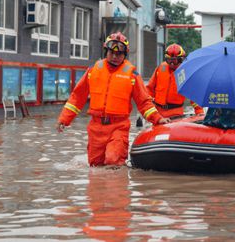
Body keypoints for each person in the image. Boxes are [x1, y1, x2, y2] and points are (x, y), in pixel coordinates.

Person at [56, 32, 169, 167]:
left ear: (124, 55)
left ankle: (116, 187)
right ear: (106, 51)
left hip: (119, 127)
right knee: (95, 166)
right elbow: (77, 97)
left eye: (119, 54)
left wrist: (158, 119)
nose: (115, 57)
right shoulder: (93, 71)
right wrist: (64, 119)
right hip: (96, 127)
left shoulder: (132, 75)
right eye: (112, 53)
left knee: (113, 161)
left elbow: (144, 102)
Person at [146, 43, 204, 119]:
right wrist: (150, 108)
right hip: (158, 113)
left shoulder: (186, 73)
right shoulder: (160, 68)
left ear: (181, 59)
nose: (172, 63)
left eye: (174, 60)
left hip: (176, 113)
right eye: (169, 60)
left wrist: (200, 112)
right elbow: (149, 89)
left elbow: (194, 95)